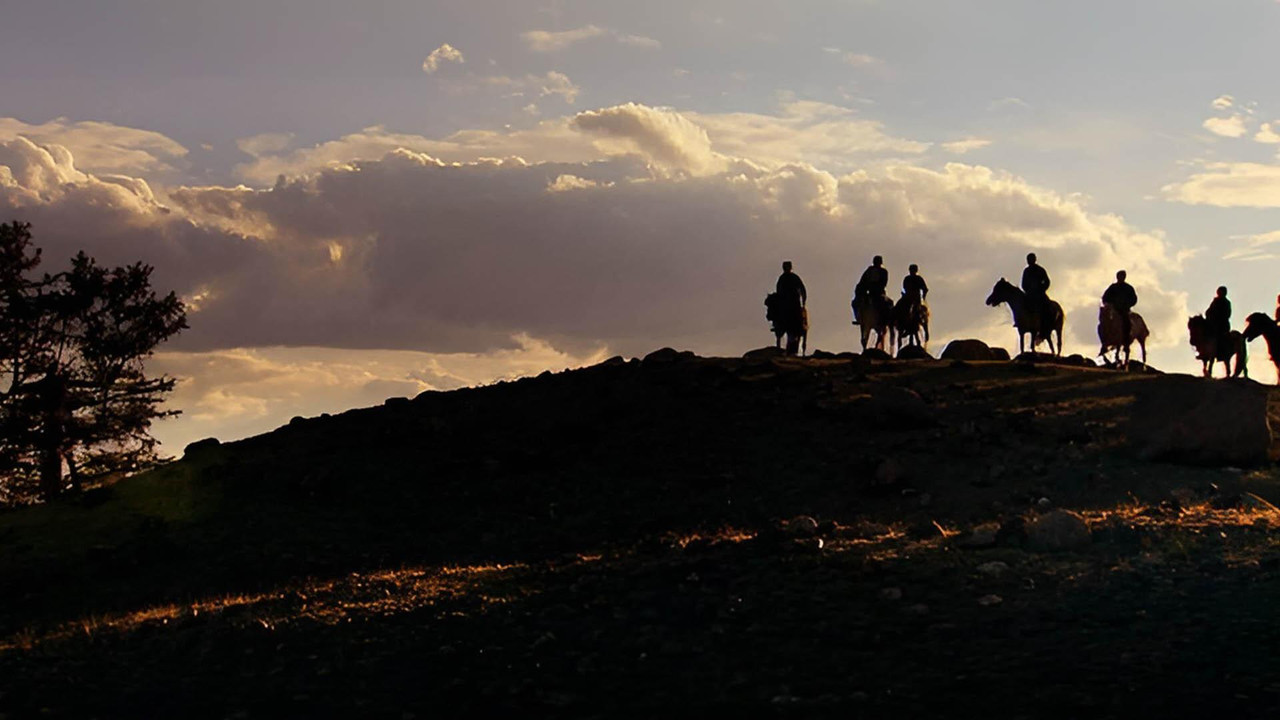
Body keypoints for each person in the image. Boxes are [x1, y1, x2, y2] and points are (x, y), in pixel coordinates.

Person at [775, 261, 806, 354]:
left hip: (793, 303)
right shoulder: (782, 278)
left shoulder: (792, 278)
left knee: (799, 319)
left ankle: (800, 327)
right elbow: (778, 291)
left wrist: (803, 301)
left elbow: (802, 289)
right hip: (787, 303)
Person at [1101, 270, 1138, 345]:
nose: (1120, 278)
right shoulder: (1112, 287)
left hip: (1124, 310)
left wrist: (1127, 305)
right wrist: (1107, 304)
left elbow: (1134, 299)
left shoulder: (1128, 288)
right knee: (1102, 325)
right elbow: (1105, 297)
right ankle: (1104, 343)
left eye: (1122, 276)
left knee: (1127, 323)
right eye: (1119, 276)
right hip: (1113, 310)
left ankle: (1126, 341)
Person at [853, 255, 889, 324]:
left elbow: (884, 283)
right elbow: (863, 281)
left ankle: (886, 320)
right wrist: (863, 289)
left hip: (879, 293)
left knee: (887, 304)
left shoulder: (883, 272)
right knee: (855, 303)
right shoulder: (869, 271)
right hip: (868, 292)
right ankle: (859, 318)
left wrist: (877, 288)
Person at [1021, 252, 1051, 329]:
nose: (1029, 261)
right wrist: (1028, 290)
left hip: (1039, 293)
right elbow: (1023, 284)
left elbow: (1047, 281)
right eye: (1028, 260)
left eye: (1031, 259)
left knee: (1047, 304)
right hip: (1029, 293)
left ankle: (1048, 320)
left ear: (1034, 260)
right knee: (1022, 305)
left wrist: (1042, 289)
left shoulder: (1040, 270)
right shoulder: (1026, 271)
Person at [1206, 286, 1232, 350]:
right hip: (1212, 322)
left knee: (1220, 335)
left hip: (1222, 324)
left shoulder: (1226, 303)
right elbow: (1209, 311)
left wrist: (1217, 317)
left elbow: (1227, 314)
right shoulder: (1215, 301)